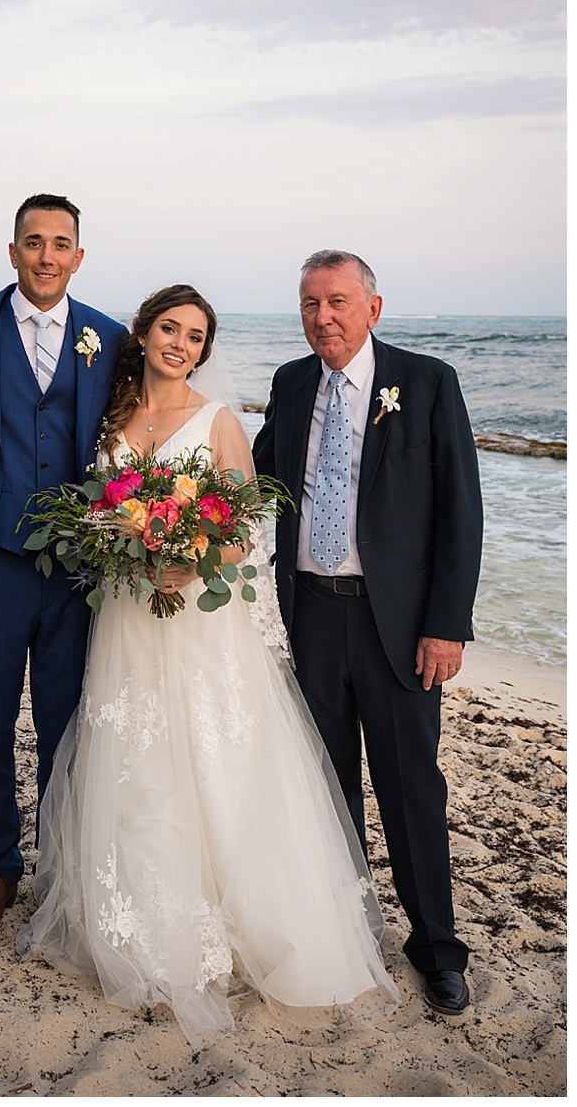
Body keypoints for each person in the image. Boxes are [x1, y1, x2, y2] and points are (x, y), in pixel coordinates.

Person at [18, 284, 397, 1044]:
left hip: (197, 619)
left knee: (215, 759)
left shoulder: (219, 421)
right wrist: (119, 541)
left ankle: (246, 926)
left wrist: (190, 567)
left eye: (195, 336)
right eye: (169, 328)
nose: (180, 344)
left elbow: (246, 523)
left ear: (204, 349)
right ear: (146, 332)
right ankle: (151, 929)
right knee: (141, 762)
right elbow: (99, 509)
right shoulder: (113, 420)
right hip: (130, 615)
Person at [252, 251, 481, 1016]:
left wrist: (447, 626)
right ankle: (348, 930)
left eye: (339, 302)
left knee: (411, 786)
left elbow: (460, 512)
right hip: (310, 613)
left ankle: (437, 949)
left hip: (400, 626)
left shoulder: (425, 382)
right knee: (325, 787)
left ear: (373, 309)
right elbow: (253, 481)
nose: (324, 318)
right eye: (311, 304)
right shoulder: (290, 384)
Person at [0, 194, 125, 928]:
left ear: (78, 255)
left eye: (60, 243)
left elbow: (131, 435)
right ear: (12, 253)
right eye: (33, 242)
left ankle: (61, 870)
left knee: (67, 725)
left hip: (78, 571)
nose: (46, 255)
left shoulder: (109, 336)